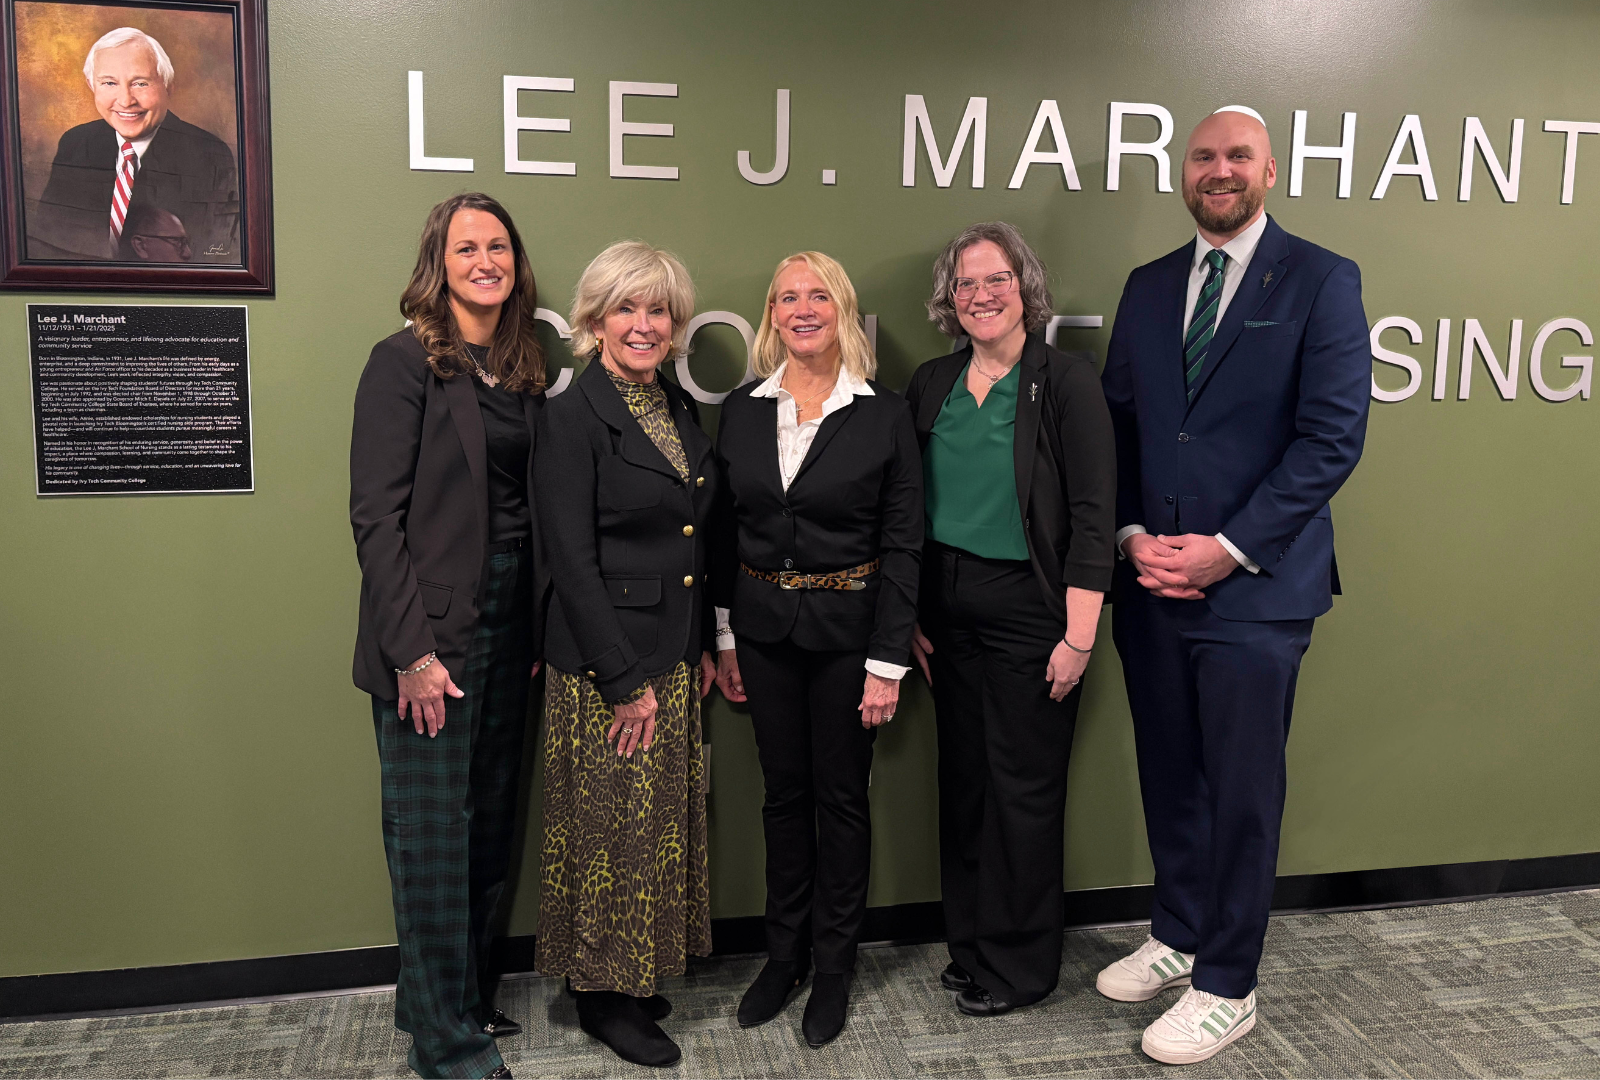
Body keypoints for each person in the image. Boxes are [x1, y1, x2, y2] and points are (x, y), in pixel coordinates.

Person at [1097, 107, 1370, 1065]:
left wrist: (1228, 548)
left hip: (1257, 590)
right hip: (1152, 582)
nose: (1220, 170)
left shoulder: (1323, 279)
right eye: (1204, 156)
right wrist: (1131, 535)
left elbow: (1331, 437)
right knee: (1170, 772)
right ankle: (1179, 932)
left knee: (1243, 791)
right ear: (1185, 171)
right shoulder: (1148, 285)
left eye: (1238, 156)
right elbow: (1119, 427)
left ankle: (1227, 984)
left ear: (1270, 169)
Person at [349, 192, 548, 1080]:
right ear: (438, 263)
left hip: (510, 620)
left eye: (498, 246)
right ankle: (446, 1046)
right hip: (431, 634)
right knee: (431, 841)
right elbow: (375, 520)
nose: (485, 262)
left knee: (489, 826)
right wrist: (414, 654)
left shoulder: (521, 367)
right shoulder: (400, 364)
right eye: (466, 248)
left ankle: (454, 999)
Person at [903, 222, 1117, 1017]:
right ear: (948, 299)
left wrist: (1079, 637)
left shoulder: (1065, 382)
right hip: (948, 610)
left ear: (1025, 288)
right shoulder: (932, 382)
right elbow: (907, 509)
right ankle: (971, 947)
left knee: (1022, 791)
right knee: (965, 784)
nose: (981, 295)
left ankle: (1020, 968)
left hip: (1035, 613)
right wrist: (910, 614)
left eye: (997, 279)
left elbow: (1094, 517)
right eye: (965, 283)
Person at [711, 251, 922, 1048]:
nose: (803, 309)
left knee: (842, 800)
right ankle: (784, 956)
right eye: (788, 297)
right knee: (782, 798)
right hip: (763, 633)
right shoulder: (742, 408)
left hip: (850, 641)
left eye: (819, 296)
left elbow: (905, 545)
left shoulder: (885, 413)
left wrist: (887, 661)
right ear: (772, 314)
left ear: (843, 310)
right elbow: (725, 533)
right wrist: (726, 636)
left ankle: (833, 967)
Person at [534, 241, 719, 1070]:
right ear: (595, 320)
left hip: (669, 653)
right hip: (608, 667)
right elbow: (570, 562)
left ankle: (632, 973)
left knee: (652, 828)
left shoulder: (672, 404)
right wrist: (620, 680)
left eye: (659, 310)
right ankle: (603, 996)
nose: (645, 325)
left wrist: (701, 642)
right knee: (610, 831)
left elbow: (692, 536)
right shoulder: (573, 417)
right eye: (626, 309)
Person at [30, 27, 238, 262]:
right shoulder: (75, 144)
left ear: (168, 86)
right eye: (109, 83)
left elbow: (213, 255)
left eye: (140, 83)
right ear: (91, 85)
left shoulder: (209, 155)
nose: (126, 101)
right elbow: (47, 242)